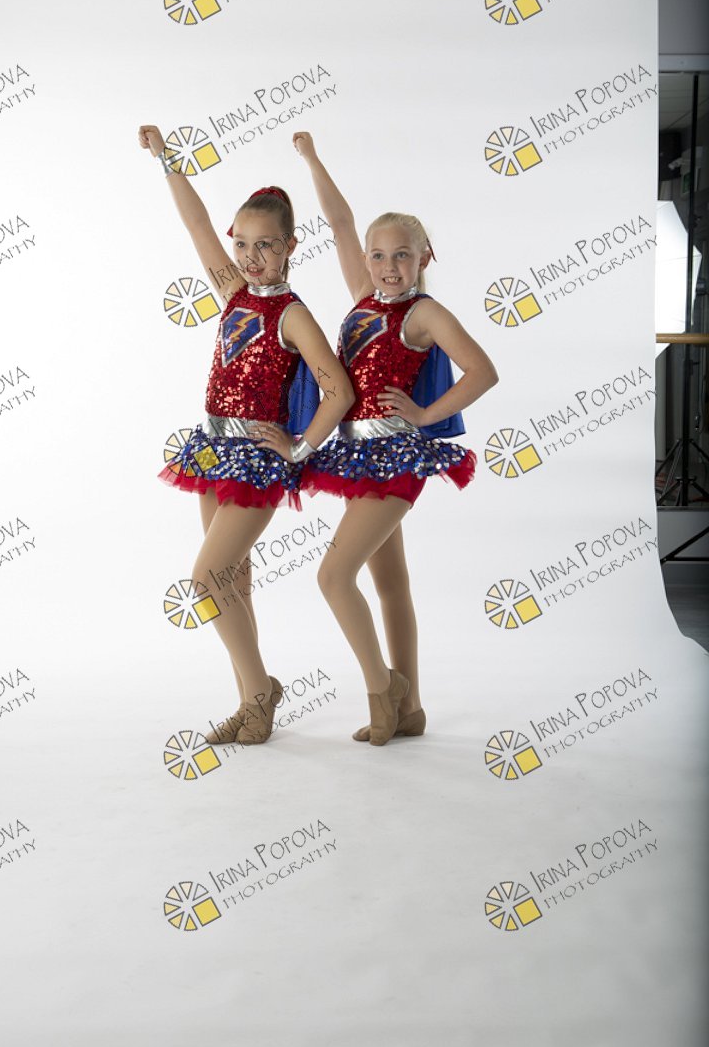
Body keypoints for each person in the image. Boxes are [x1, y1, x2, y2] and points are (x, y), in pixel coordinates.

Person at [138, 124, 353, 746]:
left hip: (258, 460)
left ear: (289, 247)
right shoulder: (232, 291)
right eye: (242, 243)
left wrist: (299, 448)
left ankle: (261, 694)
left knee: (205, 578)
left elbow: (338, 392)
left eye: (265, 246)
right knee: (231, 580)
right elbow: (196, 224)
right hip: (213, 449)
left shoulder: (292, 314)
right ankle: (249, 701)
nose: (250, 256)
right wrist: (166, 158)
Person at [293, 130, 499, 746]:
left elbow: (483, 371)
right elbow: (339, 222)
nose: (388, 266)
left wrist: (426, 413)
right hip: (357, 454)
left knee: (333, 576)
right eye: (378, 255)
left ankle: (383, 691)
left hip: (396, 458)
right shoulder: (364, 299)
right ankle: (411, 709)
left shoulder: (423, 313)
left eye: (401, 255)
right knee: (390, 584)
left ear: (424, 255)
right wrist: (312, 159)